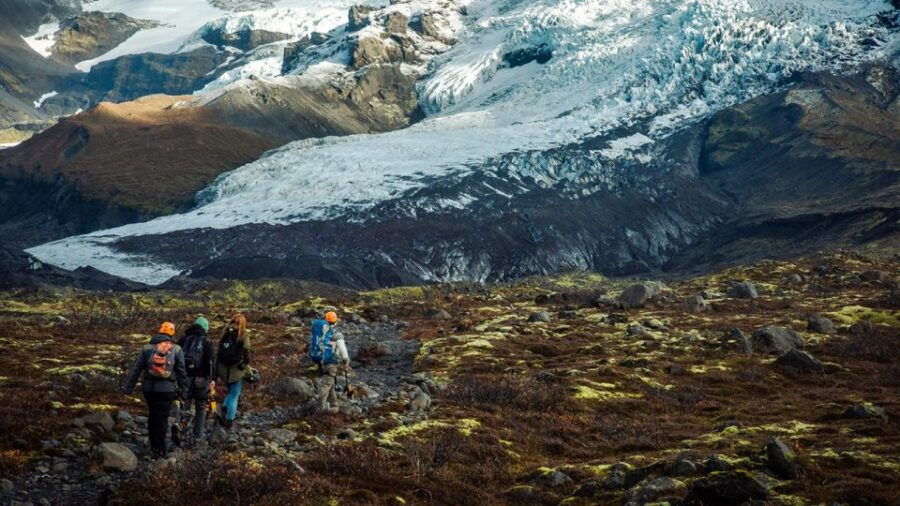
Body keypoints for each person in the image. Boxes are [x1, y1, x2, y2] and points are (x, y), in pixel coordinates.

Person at [123, 322, 187, 459]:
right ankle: (160, 452)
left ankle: (154, 449)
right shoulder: (176, 349)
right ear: (172, 333)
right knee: (162, 420)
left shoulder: (147, 348)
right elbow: (182, 373)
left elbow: (136, 369)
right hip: (167, 391)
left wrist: (128, 389)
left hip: (149, 390)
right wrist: (184, 392)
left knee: (153, 417)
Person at [177, 315, 215, 441]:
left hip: (185, 377)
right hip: (201, 379)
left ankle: (182, 431)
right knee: (201, 406)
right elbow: (211, 362)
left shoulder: (183, 339)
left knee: (185, 404)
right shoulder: (207, 341)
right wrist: (212, 380)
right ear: (205, 328)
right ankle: (197, 435)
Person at [216, 314, 249, 428]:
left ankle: (224, 407)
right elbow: (246, 353)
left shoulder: (225, 333)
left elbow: (219, 351)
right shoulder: (243, 335)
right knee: (235, 395)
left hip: (223, 370)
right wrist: (245, 365)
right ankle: (229, 420)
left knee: (231, 392)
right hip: (236, 370)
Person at [314, 311, 351, 413]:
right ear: (336, 322)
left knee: (330, 385)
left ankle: (334, 406)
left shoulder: (322, 333)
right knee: (326, 386)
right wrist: (346, 362)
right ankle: (321, 409)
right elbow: (343, 351)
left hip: (321, 362)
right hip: (332, 363)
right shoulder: (337, 335)